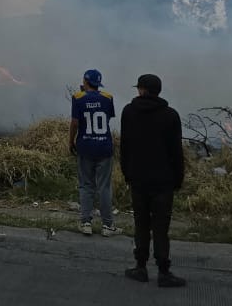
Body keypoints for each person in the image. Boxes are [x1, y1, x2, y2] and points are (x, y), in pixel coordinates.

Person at [119, 73, 186, 288]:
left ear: (142, 90)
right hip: (164, 181)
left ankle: (140, 267)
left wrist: (127, 173)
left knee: (141, 223)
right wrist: (178, 179)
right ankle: (164, 272)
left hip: (138, 179)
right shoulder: (171, 115)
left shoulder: (129, 112)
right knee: (160, 226)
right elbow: (176, 152)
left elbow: (125, 147)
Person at [68, 68, 119, 237]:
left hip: (85, 146)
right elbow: (107, 117)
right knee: (104, 187)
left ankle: (86, 223)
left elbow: (75, 123)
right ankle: (107, 225)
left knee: (86, 185)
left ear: (85, 81)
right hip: (104, 147)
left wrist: (71, 141)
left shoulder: (77, 98)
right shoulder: (108, 98)